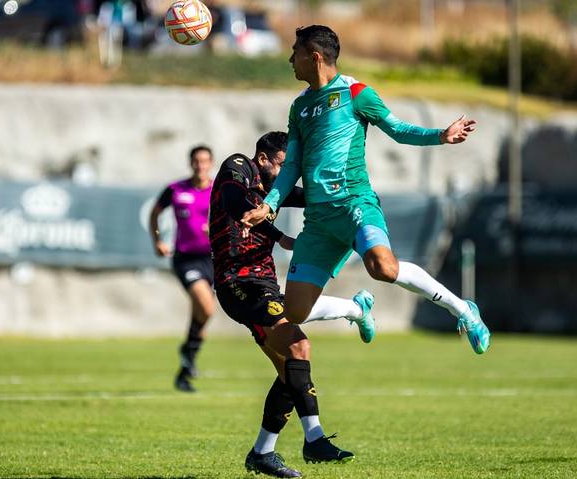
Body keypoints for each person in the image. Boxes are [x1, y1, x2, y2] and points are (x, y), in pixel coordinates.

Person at [241, 25, 491, 354]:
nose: (290, 59)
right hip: (319, 221)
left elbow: (398, 129)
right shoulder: (299, 107)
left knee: (383, 267)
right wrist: (270, 204)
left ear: (314, 57)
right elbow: (291, 167)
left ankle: (462, 310)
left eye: (295, 52)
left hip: (354, 204)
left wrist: (440, 135)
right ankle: (357, 310)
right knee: (295, 312)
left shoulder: (355, 92)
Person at [211, 131, 376, 478]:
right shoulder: (237, 168)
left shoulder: (275, 190)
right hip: (238, 283)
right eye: (284, 165)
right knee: (299, 343)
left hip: (264, 284)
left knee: (291, 368)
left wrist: (348, 197)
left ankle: (263, 453)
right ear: (263, 159)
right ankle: (314, 438)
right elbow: (232, 203)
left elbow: (305, 196)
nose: (288, 174)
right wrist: (279, 235)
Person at [149, 145, 215, 393]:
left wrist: (217, 228)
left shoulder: (218, 190)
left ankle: (186, 364)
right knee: (206, 307)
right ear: (190, 163)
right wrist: (157, 240)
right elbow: (155, 214)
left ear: (211, 163)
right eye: (196, 161)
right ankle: (188, 354)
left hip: (213, 259)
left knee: (202, 314)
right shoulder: (176, 189)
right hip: (186, 259)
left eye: (205, 161)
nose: (201, 165)